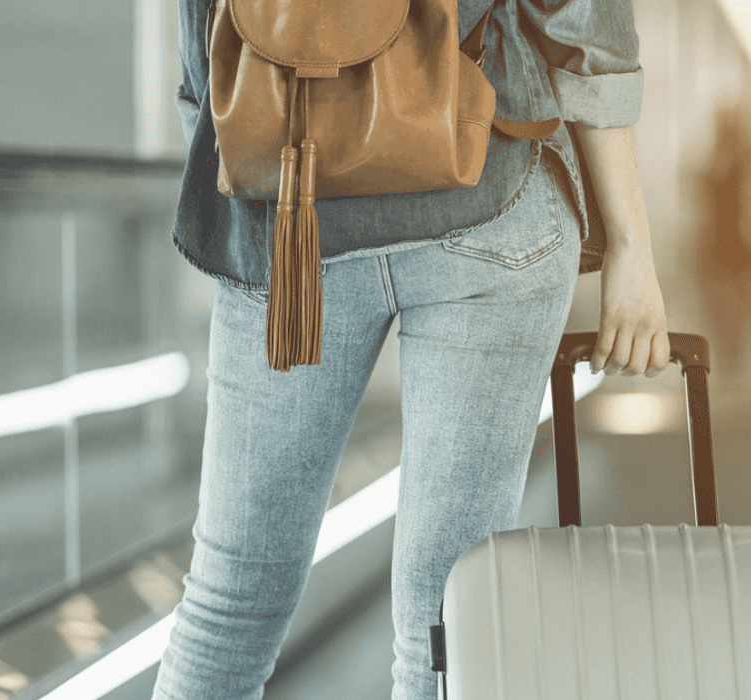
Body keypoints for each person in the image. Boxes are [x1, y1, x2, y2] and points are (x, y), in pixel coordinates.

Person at [152, 0, 669, 698]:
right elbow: (584, 22)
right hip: (488, 195)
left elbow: (201, 27)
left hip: (290, 218)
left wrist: (238, 157)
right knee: (447, 630)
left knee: (229, 608)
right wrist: (632, 246)